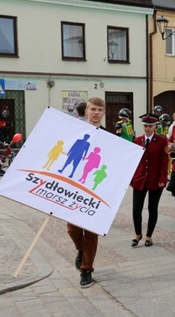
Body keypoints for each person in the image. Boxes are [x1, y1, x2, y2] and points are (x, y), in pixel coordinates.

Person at [67, 96, 106, 288]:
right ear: (86, 112)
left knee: (91, 233)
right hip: (75, 189)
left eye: (99, 109)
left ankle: (86, 270)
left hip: (97, 191)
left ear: (103, 112)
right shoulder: (76, 132)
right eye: (93, 109)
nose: (96, 113)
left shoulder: (110, 138)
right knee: (73, 229)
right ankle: (81, 250)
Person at [131, 113, 168, 248]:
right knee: (136, 208)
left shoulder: (162, 141)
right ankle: (137, 234)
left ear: (155, 126)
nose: (147, 128)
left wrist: (163, 178)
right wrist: (132, 178)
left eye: (150, 126)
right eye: (145, 126)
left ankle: (149, 236)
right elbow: (133, 161)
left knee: (152, 208)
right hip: (140, 179)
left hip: (155, 179)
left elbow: (165, 162)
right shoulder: (137, 140)